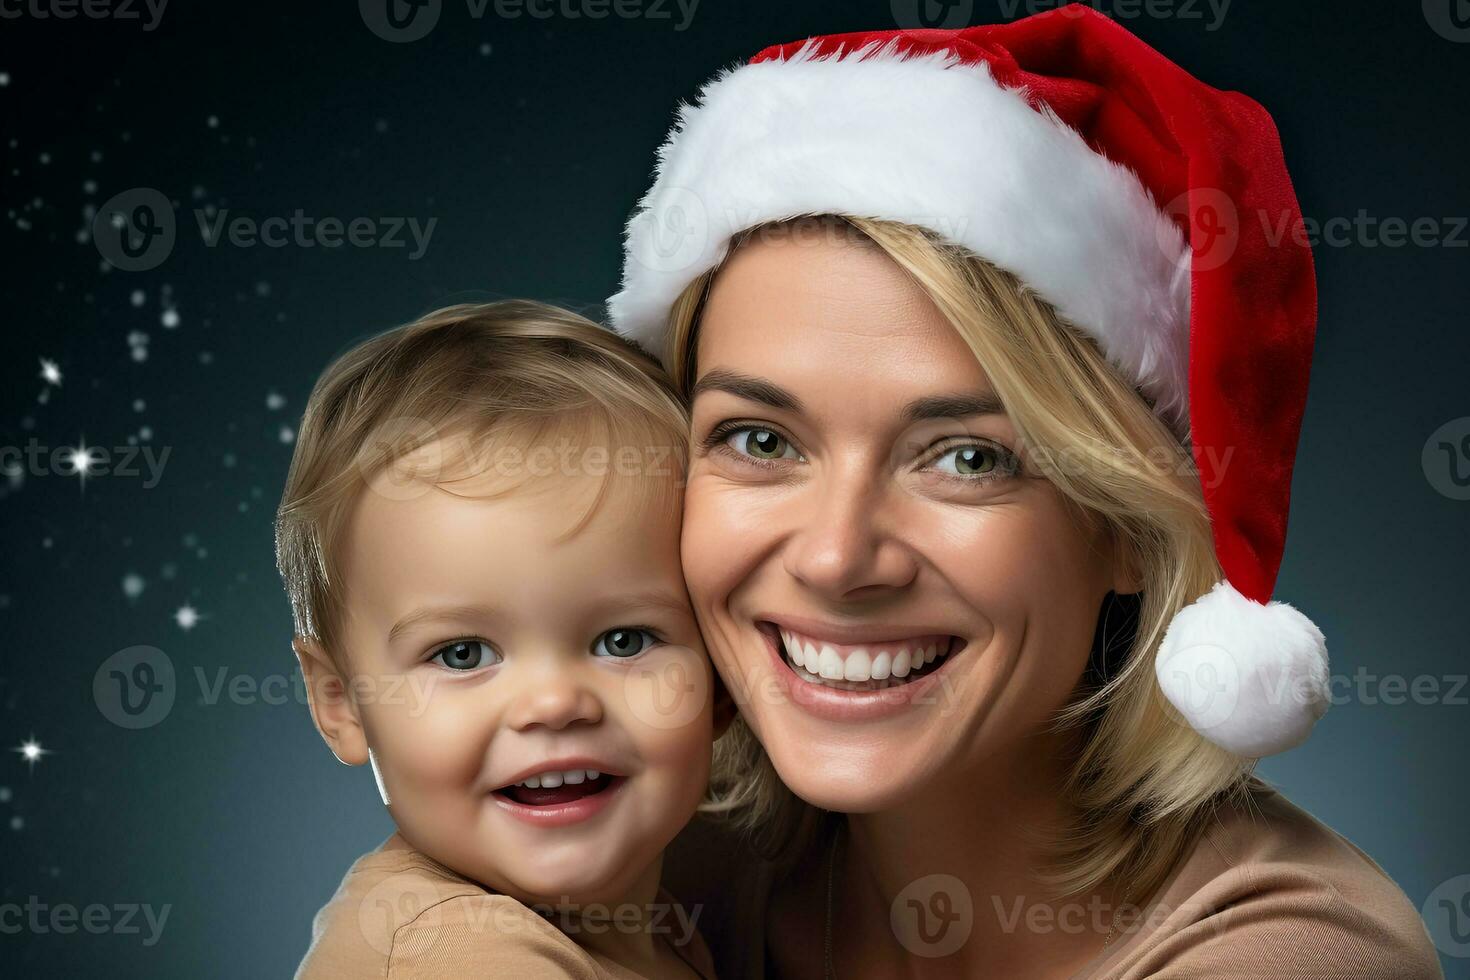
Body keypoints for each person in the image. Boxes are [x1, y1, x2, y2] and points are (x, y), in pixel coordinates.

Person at [607, 9, 1443, 978]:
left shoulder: (1300, 950)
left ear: (1127, 524)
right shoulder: (660, 860)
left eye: (967, 458)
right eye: (760, 440)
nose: (836, 556)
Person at [275, 300, 721, 979]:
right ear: (340, 701)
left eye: (626, 640)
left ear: (724, 673)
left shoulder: (664, 928)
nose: (554, 702)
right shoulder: (464, 954)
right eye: (463, 654)